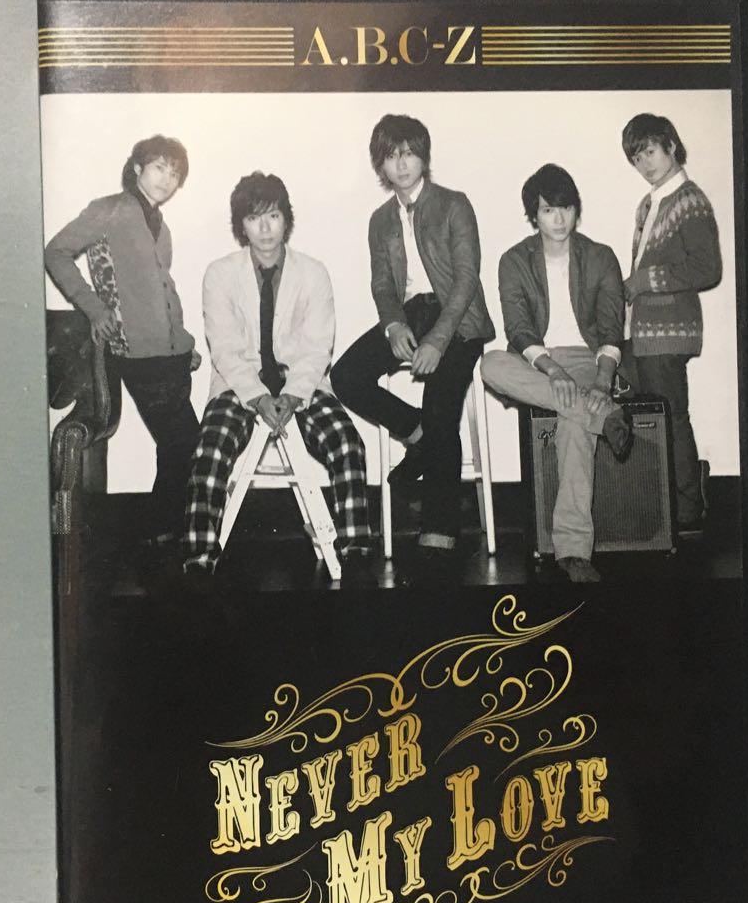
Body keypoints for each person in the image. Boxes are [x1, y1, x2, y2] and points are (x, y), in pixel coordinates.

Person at [183, 172, 372, 580]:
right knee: (209, 450)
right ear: (241, 225)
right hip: (238, 385)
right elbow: (224, 348)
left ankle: (356, 549)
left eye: (273, 216)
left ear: (287, 218)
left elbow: (318, 347)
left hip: (301, 384)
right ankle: (199, 559)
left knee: (347, 443)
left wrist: (293, 394)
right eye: (253, 218)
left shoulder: (314, 273)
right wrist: (256, 396)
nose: (265, 228)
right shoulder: (219, 273)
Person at [331, 114, 495, 567]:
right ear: (380, 165)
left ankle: (440, 531)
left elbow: (465, 280)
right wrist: (393, 325)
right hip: (410, 314)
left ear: (424, 156)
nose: (401, 164)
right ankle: (417, 433)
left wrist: (438, 340)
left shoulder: (454, 204)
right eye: (391, 156)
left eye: (408, 154)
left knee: (441, 407)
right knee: (346, 376)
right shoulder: (379, 220)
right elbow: (383, 284)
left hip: (460, 321)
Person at [44, 135, 201, 551]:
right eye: (159, 167)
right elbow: (56, 252)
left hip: (172, 353)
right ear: (137, 168)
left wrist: (184, 342)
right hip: (136, 352)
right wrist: (94, 309)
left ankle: (164, 533)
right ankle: (157, 533)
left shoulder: (161, 226)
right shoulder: (109, 209)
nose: (167, 179)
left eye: (175, 173)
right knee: (183, 442)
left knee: (179, 446)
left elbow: (161, 290)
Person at [481, 164, 633, 584]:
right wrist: (552, 370)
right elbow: (518, 330)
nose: (559, 219)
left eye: (566, 208)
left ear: (576, 210)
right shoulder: (514, 260)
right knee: (490, 363)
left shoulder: (600, 256)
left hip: (587, 359)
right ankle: (606, 417)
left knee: (572, 424)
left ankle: (573, 553)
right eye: (548, 210)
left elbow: (611, 329)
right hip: (537, 363)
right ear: (534, 215)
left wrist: (602, 381)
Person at [621, 113, 722, 536]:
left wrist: (644, 281)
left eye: (649, 151)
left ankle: (688, 511)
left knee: (670, 418)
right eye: (636, 157)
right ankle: (667, 504)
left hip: (668, 331)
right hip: (640, 332)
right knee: (649, 420)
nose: (644, 163)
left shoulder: (690, 200)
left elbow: (707, 268)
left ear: (671, 147)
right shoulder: (649, 204)